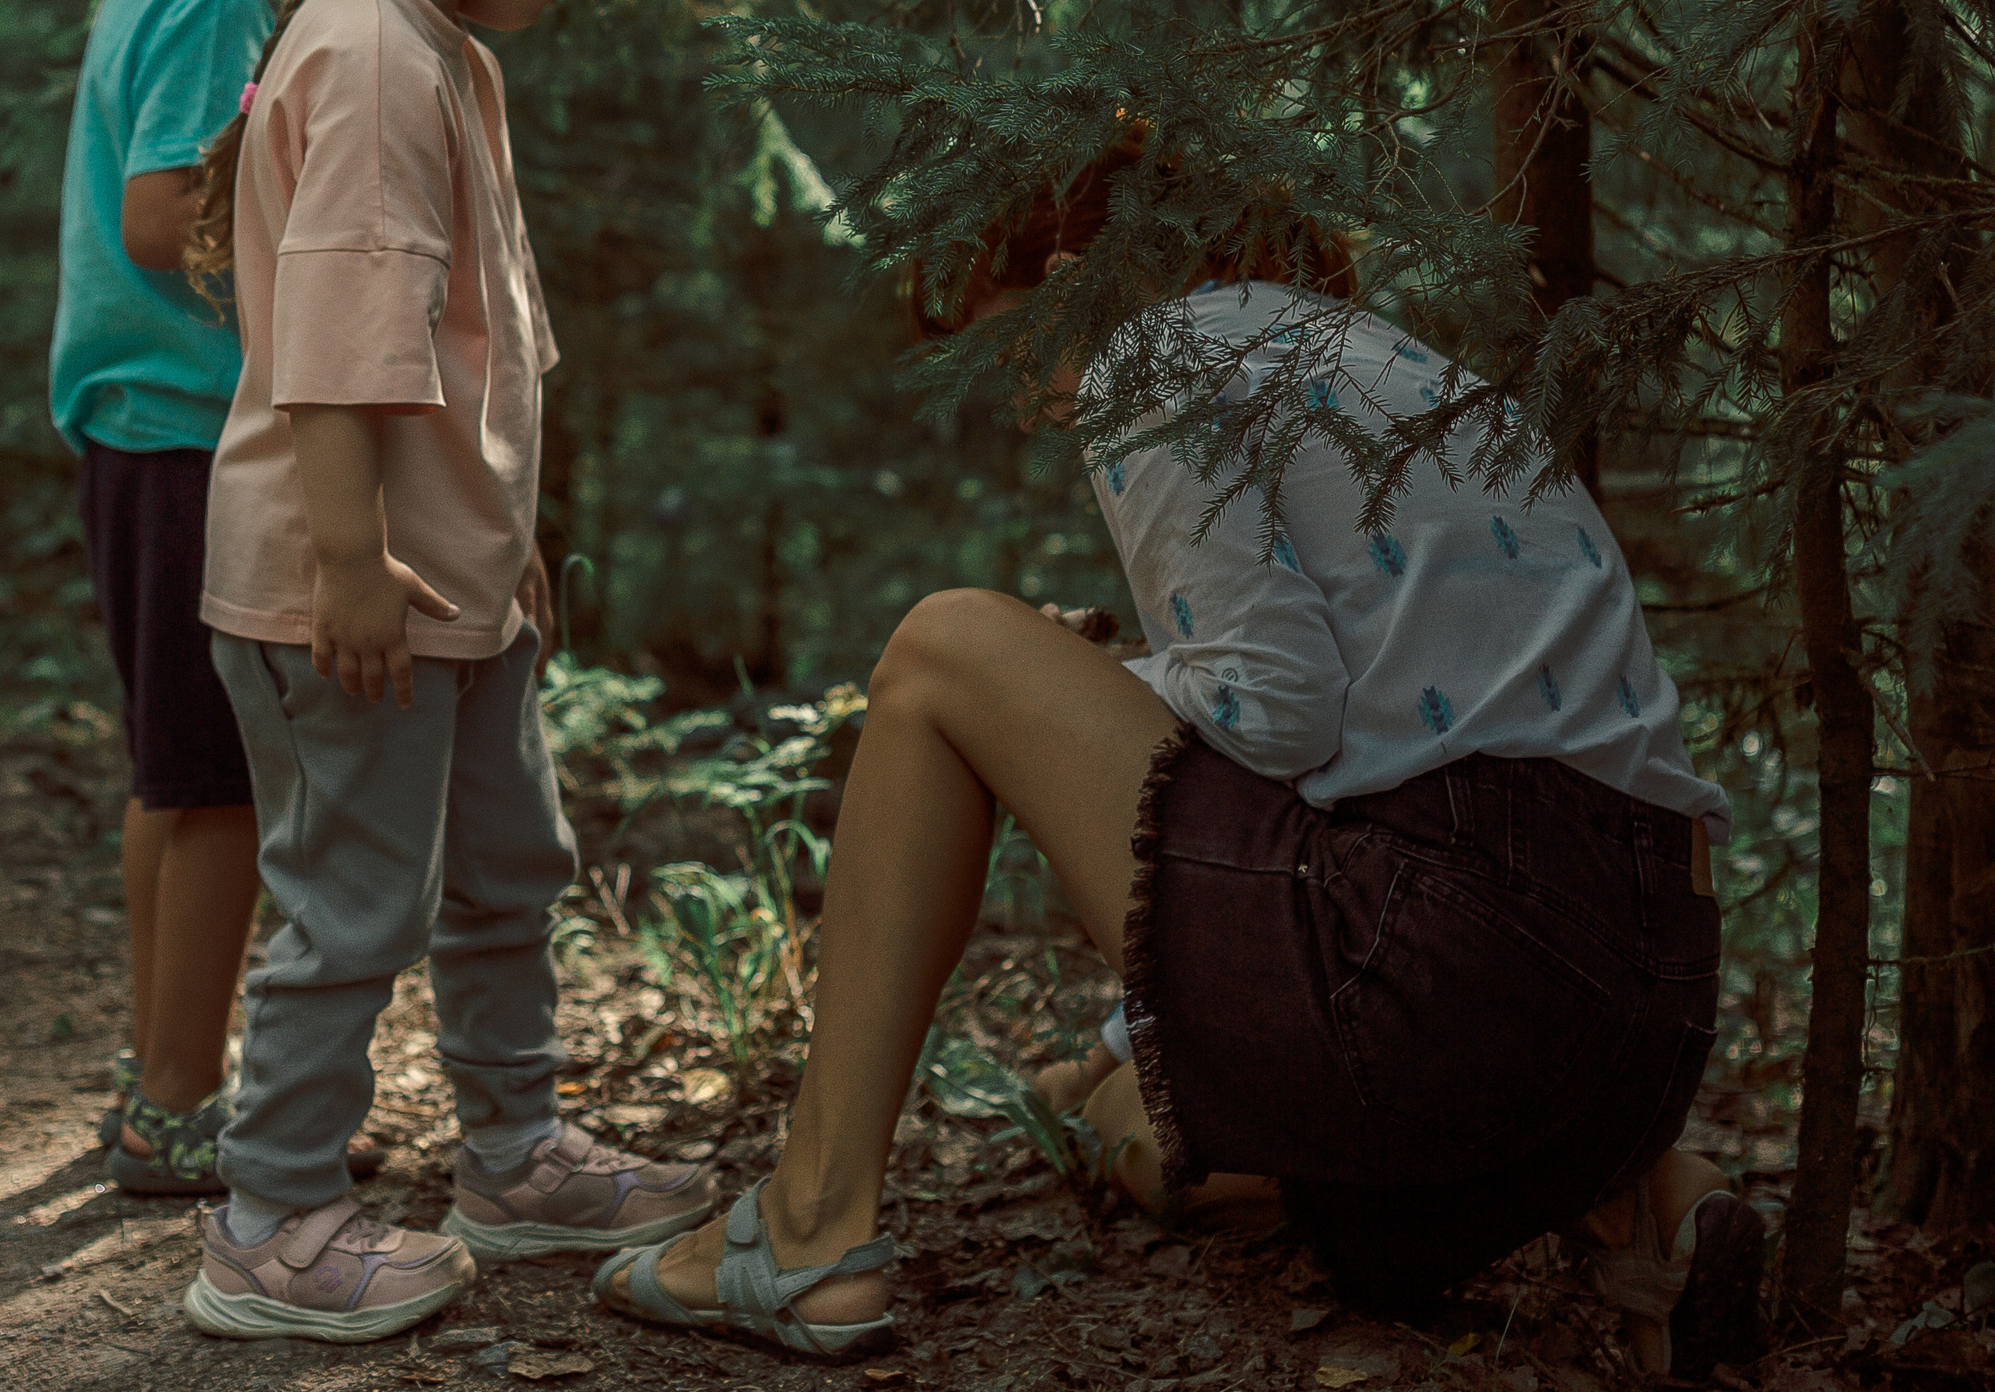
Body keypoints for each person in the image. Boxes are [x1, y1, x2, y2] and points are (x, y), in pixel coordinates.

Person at [597, 135, 1767, 1374]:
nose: (1006, 394)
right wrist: (1097, 1052)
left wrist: (1069, 688)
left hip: (1446, 973)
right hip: (1640, 1027)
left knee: (943, 652)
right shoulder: (1379, 358)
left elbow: (1276, 716)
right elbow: (1346, 783)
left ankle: (804, 1226)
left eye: (994, 337)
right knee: (1141, 1133)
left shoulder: (1152, 351)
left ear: (1066, 272)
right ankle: (1645, 1203)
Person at [174, 0, 713, 1345]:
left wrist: (502, 537)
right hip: (349, 595)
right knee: (355, 898)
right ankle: (268, 1217)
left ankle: (513, 1149)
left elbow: (479, 334)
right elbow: (340, 333)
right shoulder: (372, 49)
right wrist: (349, 556)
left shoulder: (429, 48)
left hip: (453, 590)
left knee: (502, 865)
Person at [49, 0, 382, 1196]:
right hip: (184, 436)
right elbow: (157, 213)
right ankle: (181, 1100)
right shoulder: (211, 1)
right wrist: (291, 301)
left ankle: (157, 1064)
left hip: (137, 433)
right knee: (224, 786)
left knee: (170, 774)